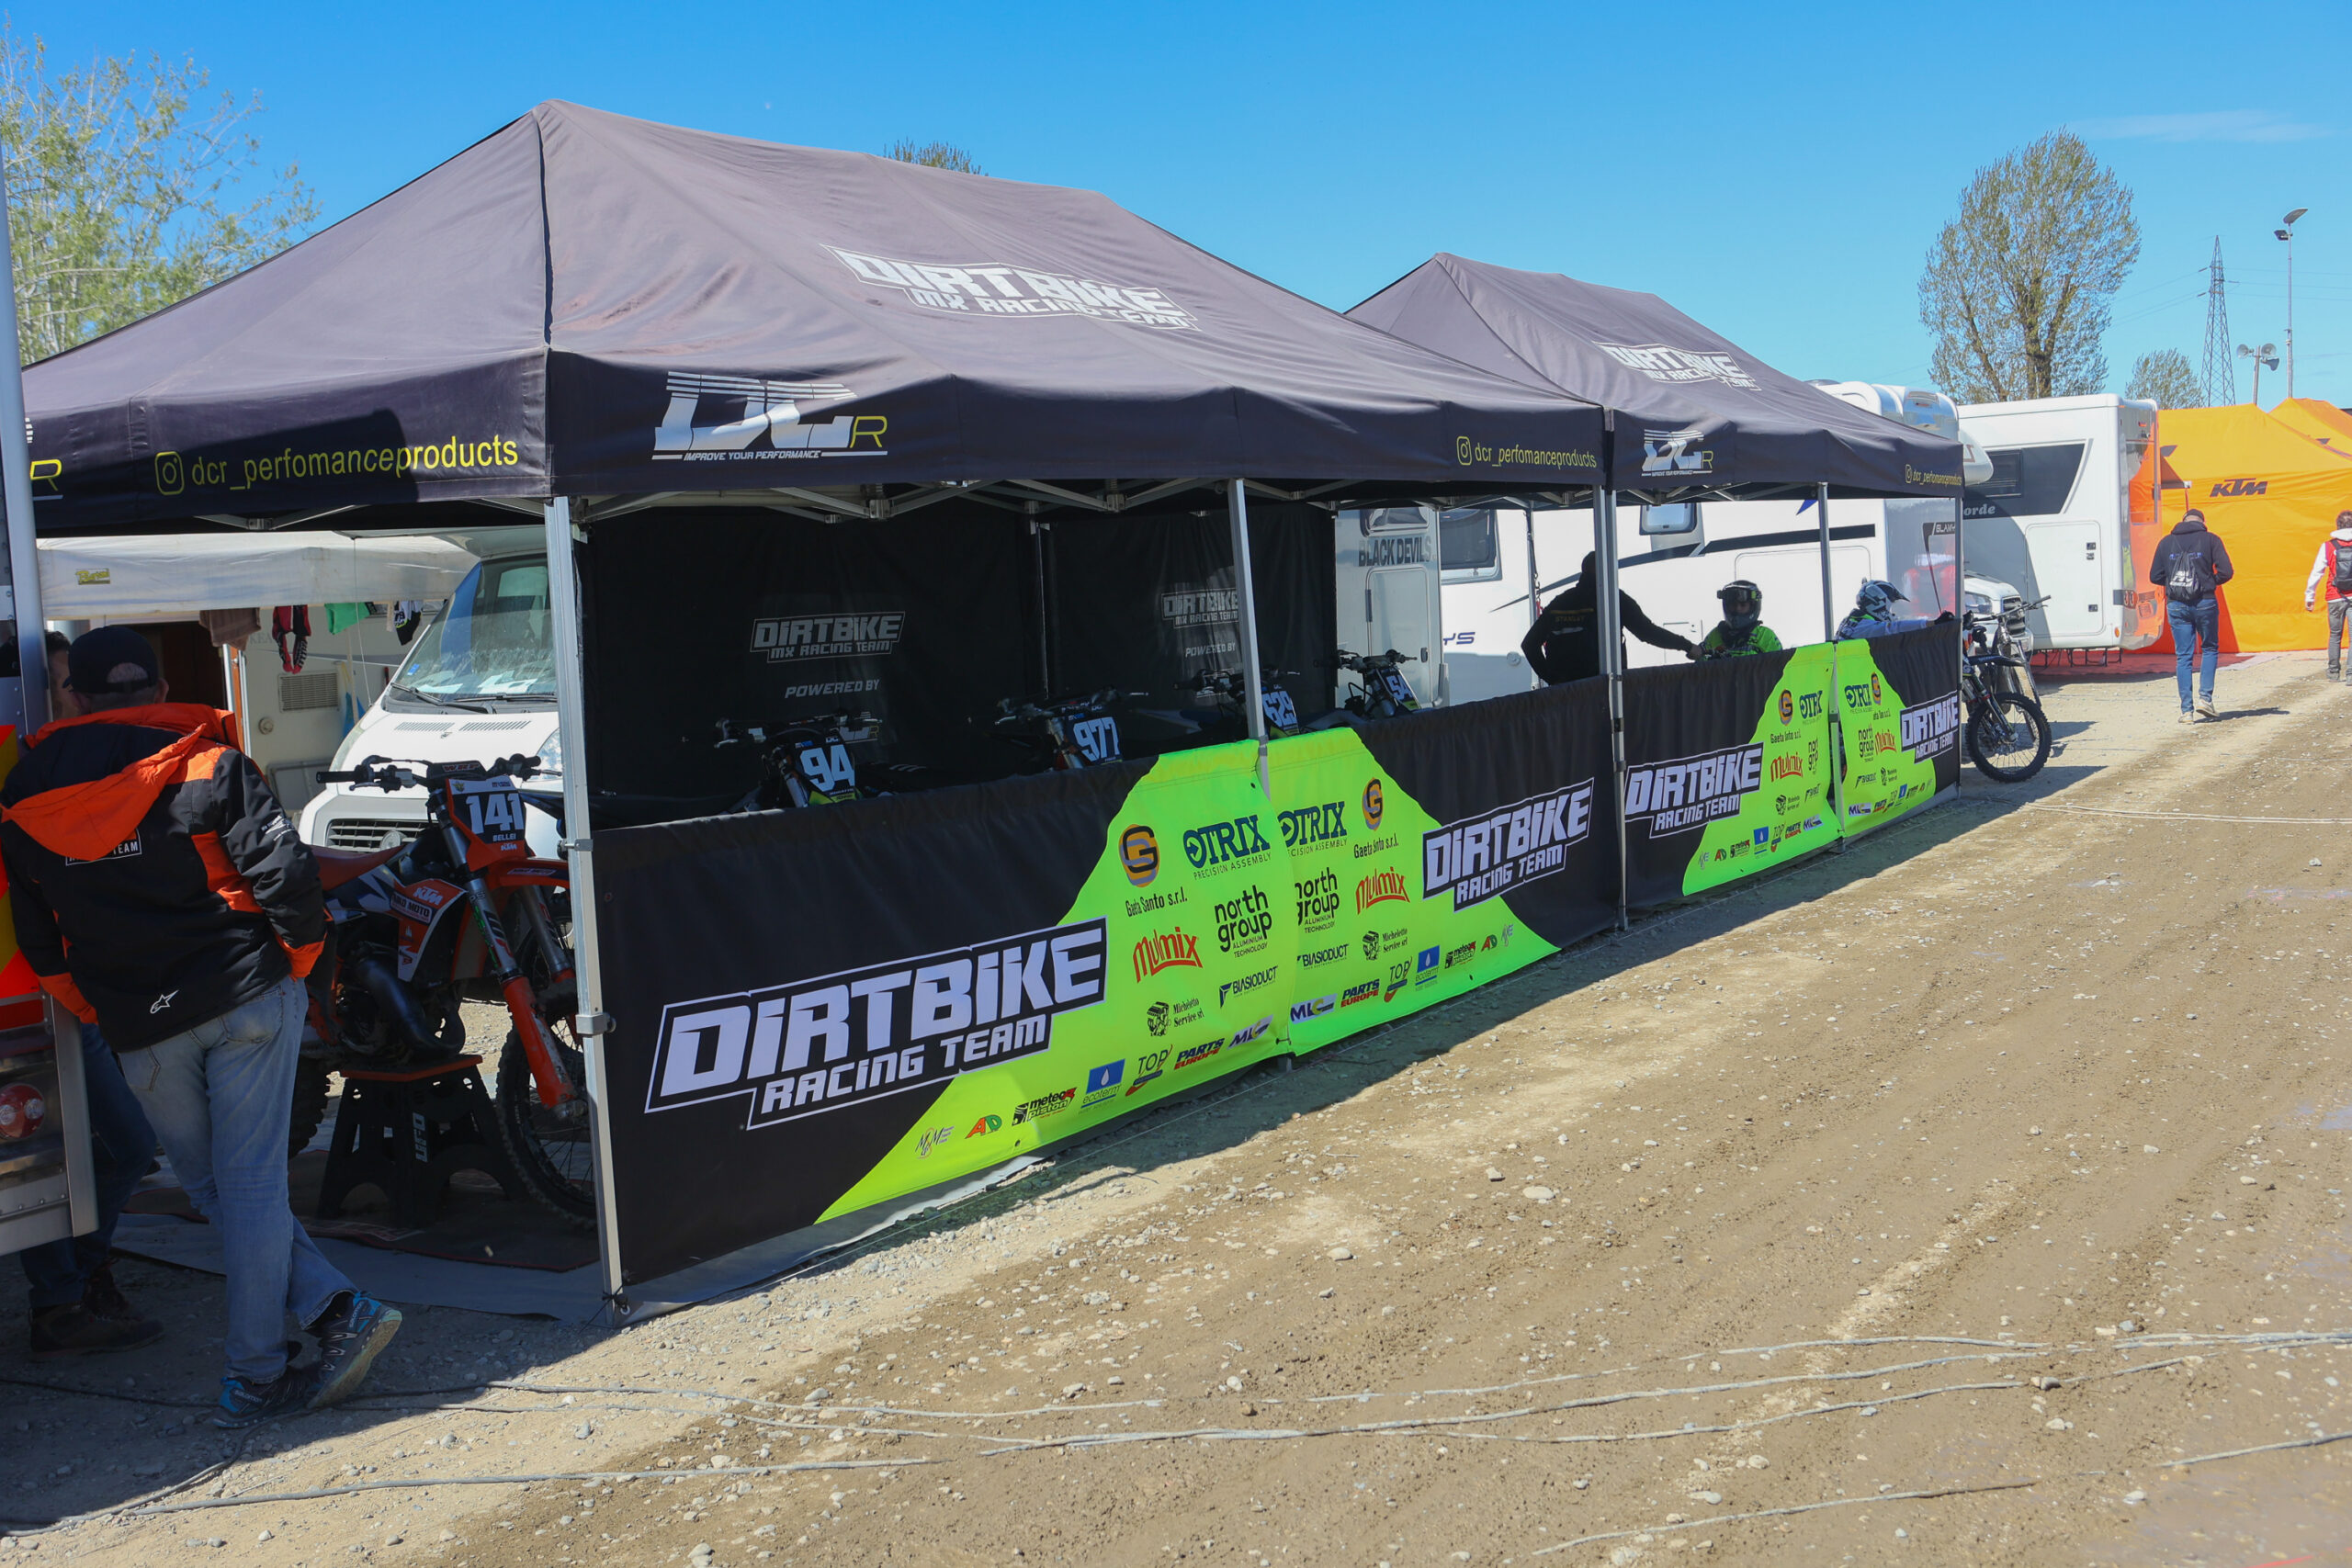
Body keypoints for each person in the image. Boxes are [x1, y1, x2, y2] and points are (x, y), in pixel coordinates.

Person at [0, 626, 401, 1427]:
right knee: (244, 1185)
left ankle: (333, 1311)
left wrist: (99, 1009)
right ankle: (259, 1370)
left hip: (140, 1027)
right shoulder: (209, 762)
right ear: (157, 688)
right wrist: (293, 970)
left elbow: (40, 938)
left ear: (74, 695)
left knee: (217, 1185)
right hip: (244, 995)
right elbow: (289, 878)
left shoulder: (25, 793)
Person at [15, 632, 167, 1358]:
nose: (60, 696)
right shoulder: (31, 769)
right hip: (33, 991)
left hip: (79, 989)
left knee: (122, 1144)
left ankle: (75, 1281)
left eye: (60, 682)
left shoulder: (91, 760)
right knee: (52, 1153)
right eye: (52, 684)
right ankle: (62, 1297)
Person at [1521, 551, 1697, 683]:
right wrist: (1687, 646)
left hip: (1566, 696)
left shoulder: (1560, 603)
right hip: (1603, 689)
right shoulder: (1613, 598)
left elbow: (1529, 644)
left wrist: (1552, 679)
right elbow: (1647, 632)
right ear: (1605, 570)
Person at [2150, 507, 2234, 722]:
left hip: (2176, 604)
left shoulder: (2166, 542)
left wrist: (2176, 584)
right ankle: (2205, 700)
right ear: (2202, 522)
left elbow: (2155, 576)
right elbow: (2226, 572)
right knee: (2209, 648)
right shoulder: (2211, 539)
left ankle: (2186, 712)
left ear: (2183, 521)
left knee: (2184, 656)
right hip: (2205, 602)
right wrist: (2208, 583)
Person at [2304, 510, 2352, 682]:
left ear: (2338, 525)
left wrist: (2309, 596)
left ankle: (2333, 672)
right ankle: (2351, 675)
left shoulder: (2328, 546)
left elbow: (2317, 572)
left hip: (2334, 595)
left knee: (2335, 635)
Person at [1696, 580, 1782, 659]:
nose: (1738, 609)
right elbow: (1699, 665)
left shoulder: (1765, 636)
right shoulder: (1715, 635)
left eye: (1743, 605)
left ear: (1753, 607)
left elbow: (1781, 665)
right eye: (1733, 605)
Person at [1834, 579, 1940, 641]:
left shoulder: (1853, 621)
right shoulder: (1864, 627)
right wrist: (1932, 623)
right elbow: (1895, 628)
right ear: (1878, 603)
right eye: (1890, 607)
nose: (1892, 613)